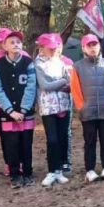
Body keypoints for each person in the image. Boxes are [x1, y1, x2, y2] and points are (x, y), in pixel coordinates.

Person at [0, 30, 36, 187]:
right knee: (11, 143)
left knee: (26, 142)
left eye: (18, 42)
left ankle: (28, 172)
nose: (16, 44)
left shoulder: (28, 62)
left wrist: (23, 110)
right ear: (4, 45)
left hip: (26, 113)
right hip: (8, 113)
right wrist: (11, 111)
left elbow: (31, 87)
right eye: (12, 42)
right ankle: (15, 174)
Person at [70, 34, 104, 182]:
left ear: (99, 46)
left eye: (95, 45)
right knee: (89, 141)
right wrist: (81, 106)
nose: (92, 48)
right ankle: (89, 169)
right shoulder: (77, 66)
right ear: (83, 48)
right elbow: (75, 89)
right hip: (88, 111)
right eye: (89, 45)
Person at [35, 33, 72, 187]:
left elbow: (69, 81)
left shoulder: (60, 61)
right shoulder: (38, 64)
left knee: (63, 137)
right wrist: (62, 81)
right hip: (48, 107)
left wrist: (62, 82)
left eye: (54, 48)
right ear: (41, 48)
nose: (52, 51)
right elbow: (45, 86)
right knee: (52, 139)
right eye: (49, 48)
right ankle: (51, 170)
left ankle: (59, 170)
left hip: (64, 104)